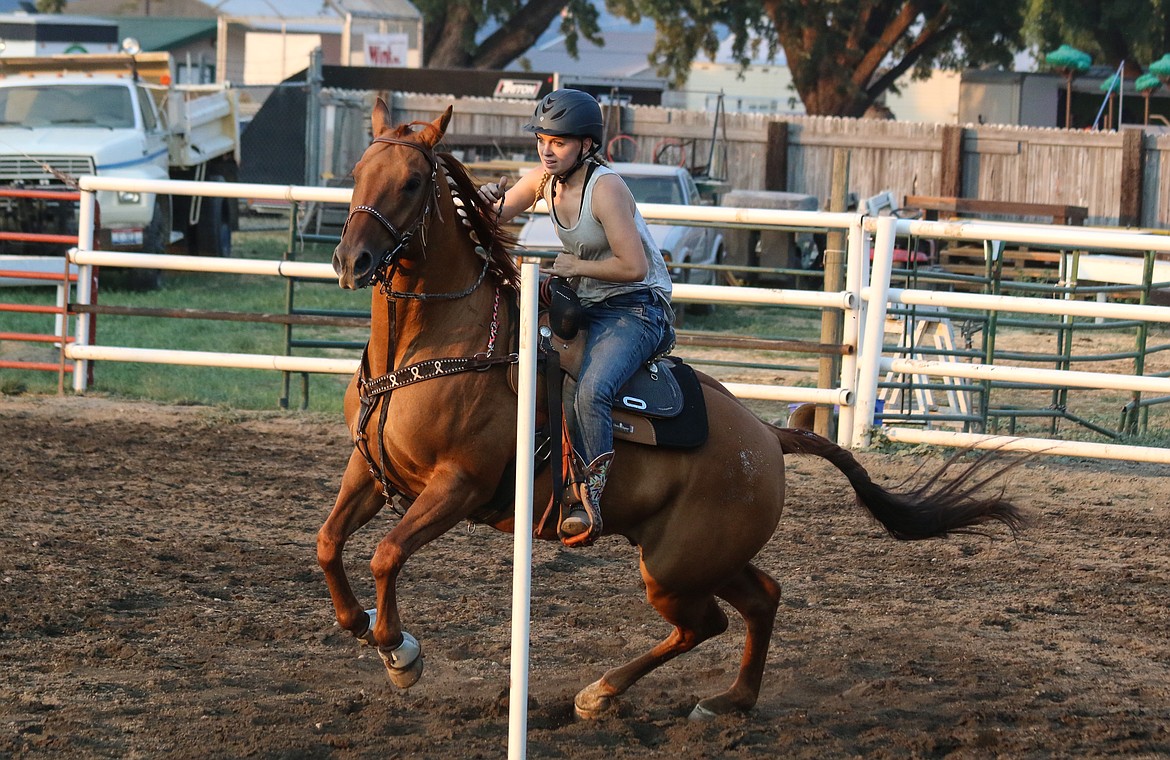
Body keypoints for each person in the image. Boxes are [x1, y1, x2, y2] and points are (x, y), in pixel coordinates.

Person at [479, 88, 674, 546]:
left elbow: (635, 267)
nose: (547, 149)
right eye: (542, 139)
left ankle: (590, 496)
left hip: (639, 309)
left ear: (586, 145)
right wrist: (487, 198)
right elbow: (496, 213)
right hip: (591, 303)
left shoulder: (605, 188)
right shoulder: (548, 178)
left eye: (559, 141)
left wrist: (575, 266)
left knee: (592, 388)